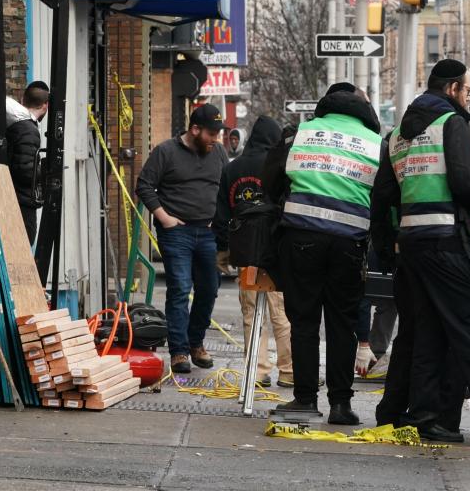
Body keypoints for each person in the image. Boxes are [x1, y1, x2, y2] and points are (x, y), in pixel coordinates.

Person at [376, 59, 470, 446]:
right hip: (449, 244)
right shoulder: (452, 125)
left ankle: (427, 419)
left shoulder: (397, 136)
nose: (469, 97)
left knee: (426, 333)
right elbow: (464, 179)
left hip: (412, 248)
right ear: (452, 90)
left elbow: (384, 198)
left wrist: (386, 252)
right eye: (467, 90)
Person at [263, 82, 381, 425]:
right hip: (349, 243)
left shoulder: (299, 133)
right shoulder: (375, 143)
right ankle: (341, 406)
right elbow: (385, 195)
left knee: (304, 321)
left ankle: (304, 399)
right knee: (343, 324)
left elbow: (270, 182)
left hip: (302, 238)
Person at [136, 104, 229, 374]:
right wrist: (164, 217)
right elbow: (144, 185)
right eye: (211, 134)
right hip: (177, 232)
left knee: (209, 289)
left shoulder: (219, 152)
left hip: (210, 232)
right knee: (179, 288)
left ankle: (196, 343)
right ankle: (178, 351)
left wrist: (221, 221)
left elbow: (225, 187)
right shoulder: (166, 152)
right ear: (195, 129)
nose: (215, 139)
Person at [213, 116, 294, 387]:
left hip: (245, 250)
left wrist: (223, 249)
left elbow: (222, 211)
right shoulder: (279, 165)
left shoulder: (232, 168)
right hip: (276, 252)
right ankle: (289, 371)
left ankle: (257, 371)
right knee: (281, 312)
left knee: (251, 312)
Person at [6, 81, 49, 244]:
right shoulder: (28, 130)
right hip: (22, 202)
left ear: (23, 99)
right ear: (45, 106)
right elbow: (25, 169)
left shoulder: (20, 125)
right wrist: (44, 172)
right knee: (25, 242)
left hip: (16, 197)